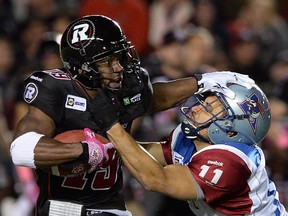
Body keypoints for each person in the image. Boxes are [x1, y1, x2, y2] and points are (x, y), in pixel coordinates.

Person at [10, 14, 254, 216]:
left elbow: (157, 97)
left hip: (112, 205)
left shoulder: (124, 86)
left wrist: (204, 81)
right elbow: (20, 147)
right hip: (65, 208)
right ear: (81, 66)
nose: (118, 68)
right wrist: (83, 150)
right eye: (107, 62)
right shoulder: (56, 88)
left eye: (119, 57)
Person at [93, 75, 288, 215]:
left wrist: (113, 126)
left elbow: (156, 179)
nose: (196, 109)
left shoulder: (233, 160)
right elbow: (151, 154)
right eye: (204, 103)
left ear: (230, 130)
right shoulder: (195, 138)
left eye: (210, 108)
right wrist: (102, 147)